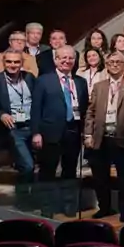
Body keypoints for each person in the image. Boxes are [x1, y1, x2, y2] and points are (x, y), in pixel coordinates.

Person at [30, 46, 89, 215]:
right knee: (47, 172)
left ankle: (69, 206)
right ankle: (47, 207)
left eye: (70, 58)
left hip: (73, 132)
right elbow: (36, 109)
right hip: (50, 133)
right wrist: (36, 132)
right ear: (55, 60)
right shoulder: (43, 80)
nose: (67, 61)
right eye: (63, 58)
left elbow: (84, 109)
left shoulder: (80, 82)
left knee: (70, 171)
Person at [85, 52, 124, 220]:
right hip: (100, 137)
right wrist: (88, 134)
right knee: (100, 177)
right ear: (107, 65)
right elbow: (90, 112)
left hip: (123, 138)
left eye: (118, 62)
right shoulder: (99, 86)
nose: (115, 65)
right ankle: (104, 207)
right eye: (111, 62)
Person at [0, 50, 37, 183]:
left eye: (16, 62)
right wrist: (1, 114)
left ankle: (28, 197)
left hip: (32, 127)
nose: (13, 65)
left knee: (33, 167)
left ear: (22, 63)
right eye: (9, 61)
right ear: (4, 63)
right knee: (28, 166)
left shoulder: (29, 78)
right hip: (14, 129)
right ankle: (23, 199)